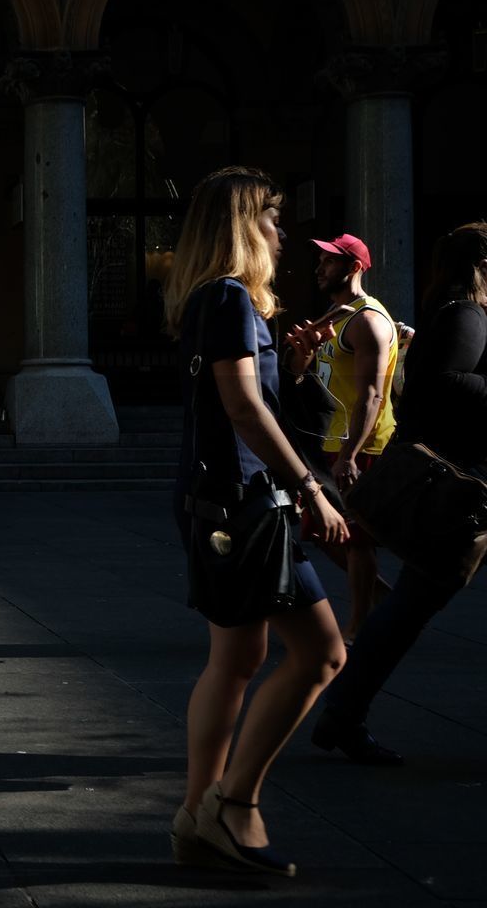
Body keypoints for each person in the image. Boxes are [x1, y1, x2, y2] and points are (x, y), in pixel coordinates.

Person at [162, 166, 349, 876]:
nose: (281, 231)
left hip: (220, 503)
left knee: (237, 659)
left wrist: (291, 372)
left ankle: (196, 814)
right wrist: (310, 488)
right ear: (243, 227)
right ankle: (231, 804)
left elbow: (244, 405)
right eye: (270, 218)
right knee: (323, 653)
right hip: (243, 508)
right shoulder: (233, 300)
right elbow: (240, 409)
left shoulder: (217, 302)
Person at [312, 223, 487, 766]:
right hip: (459, 484)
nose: (318, 267)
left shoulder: (438, 311)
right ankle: (342, 711)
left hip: (447, 479)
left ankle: (342, 712)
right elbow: (436, 383)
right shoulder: (463, 313)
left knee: (405, 602)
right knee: (405, 602)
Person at [284, 233, 398, 643]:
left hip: (361, 446)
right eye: (319, 260)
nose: (319, 267)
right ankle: (384, 597)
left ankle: (363, 622)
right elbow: (306, 377)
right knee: (320, 530)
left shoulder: (367, 320)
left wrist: (350, 455)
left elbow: (372, 394)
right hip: (331, 443)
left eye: (330, 261)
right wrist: (303, 356)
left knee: (356, 538)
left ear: (353, 268)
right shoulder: (336, 316)